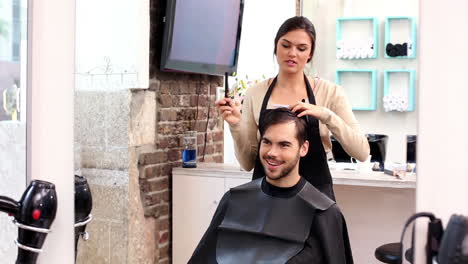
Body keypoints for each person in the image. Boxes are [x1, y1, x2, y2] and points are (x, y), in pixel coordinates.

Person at [216, 16, 369, 200]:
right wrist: (235, 125)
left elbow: (362, 152)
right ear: (276, 47)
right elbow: (248, 163)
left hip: (315, 202)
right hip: (265, 201)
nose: (292, 53)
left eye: (301, 48)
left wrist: (326, 115)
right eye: (286, 45)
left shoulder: (331, 93)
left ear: (310, 53)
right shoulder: (256, 93)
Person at [188, 108, 353, 264]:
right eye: (267, 142)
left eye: (284, 145)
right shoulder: (233, 200)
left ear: (303, 148)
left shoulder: (324, 213)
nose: (272, 152)